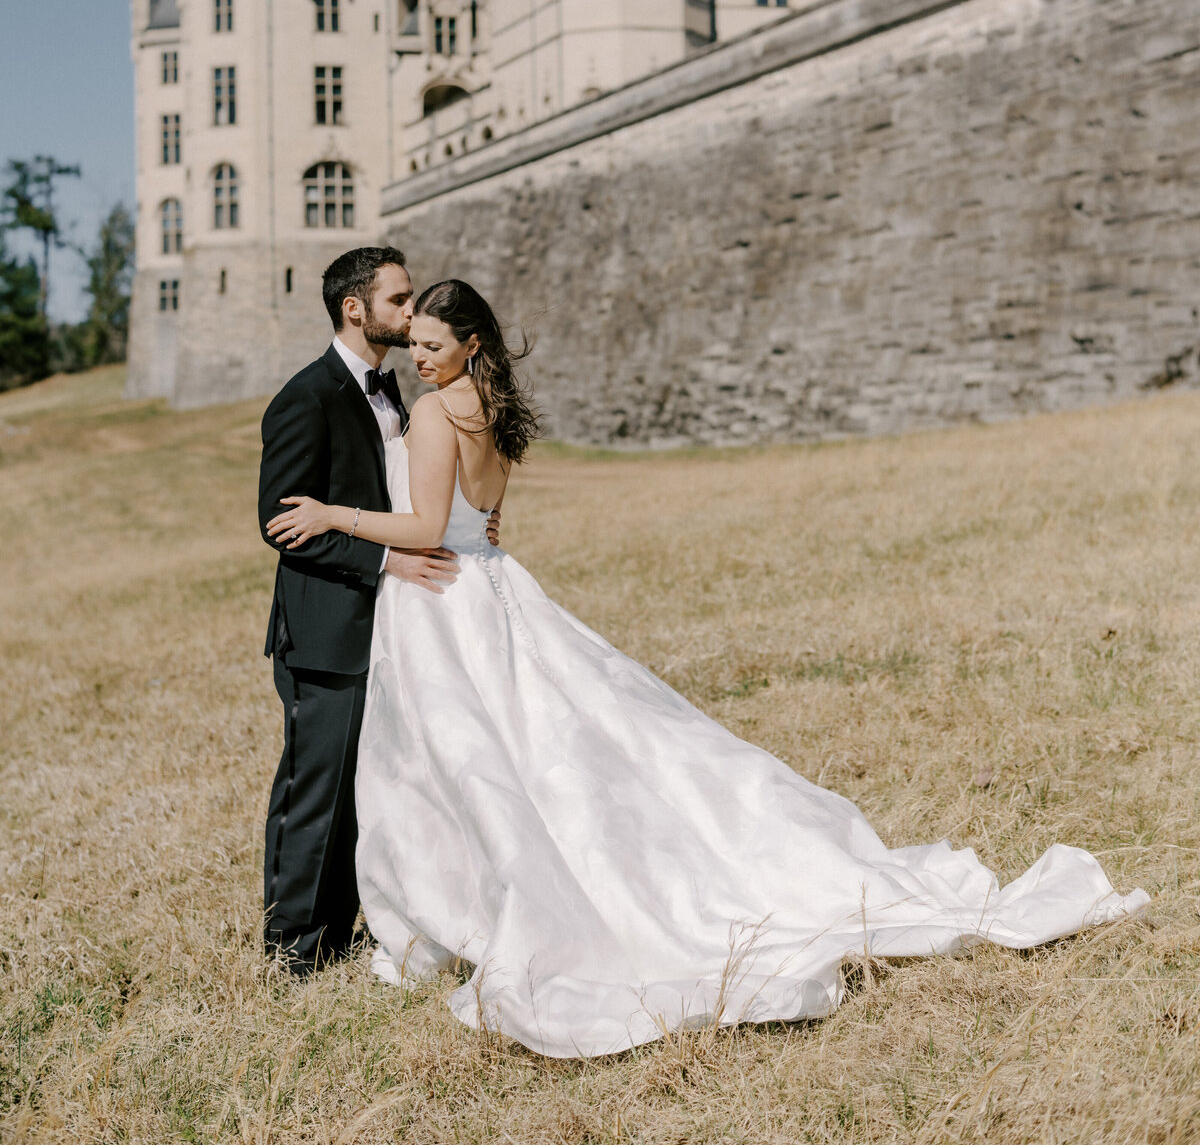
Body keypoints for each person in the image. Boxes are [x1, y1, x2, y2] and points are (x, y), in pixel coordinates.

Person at [267, 278, 1149, 1057]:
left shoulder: (430, 411)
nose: (418, 357)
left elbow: (425, 530)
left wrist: (337, 513)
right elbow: (484, 514)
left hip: (444, 603)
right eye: (412, 342)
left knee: (459, 766)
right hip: (497, 584)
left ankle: (453, 915)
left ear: (468, 347)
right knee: (530, 755)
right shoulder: (488, 410)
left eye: (430, 344)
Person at [257, 247, 498, 976]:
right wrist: (386, 558)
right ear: (354, 308)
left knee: (371, 789)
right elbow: (281, 521)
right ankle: (292, 951)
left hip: (396, 626)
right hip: (328, 628)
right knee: (317, 790)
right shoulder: (308, 395)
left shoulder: (395, 389)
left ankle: (343, 930)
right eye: (398, 299)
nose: (411, 308)